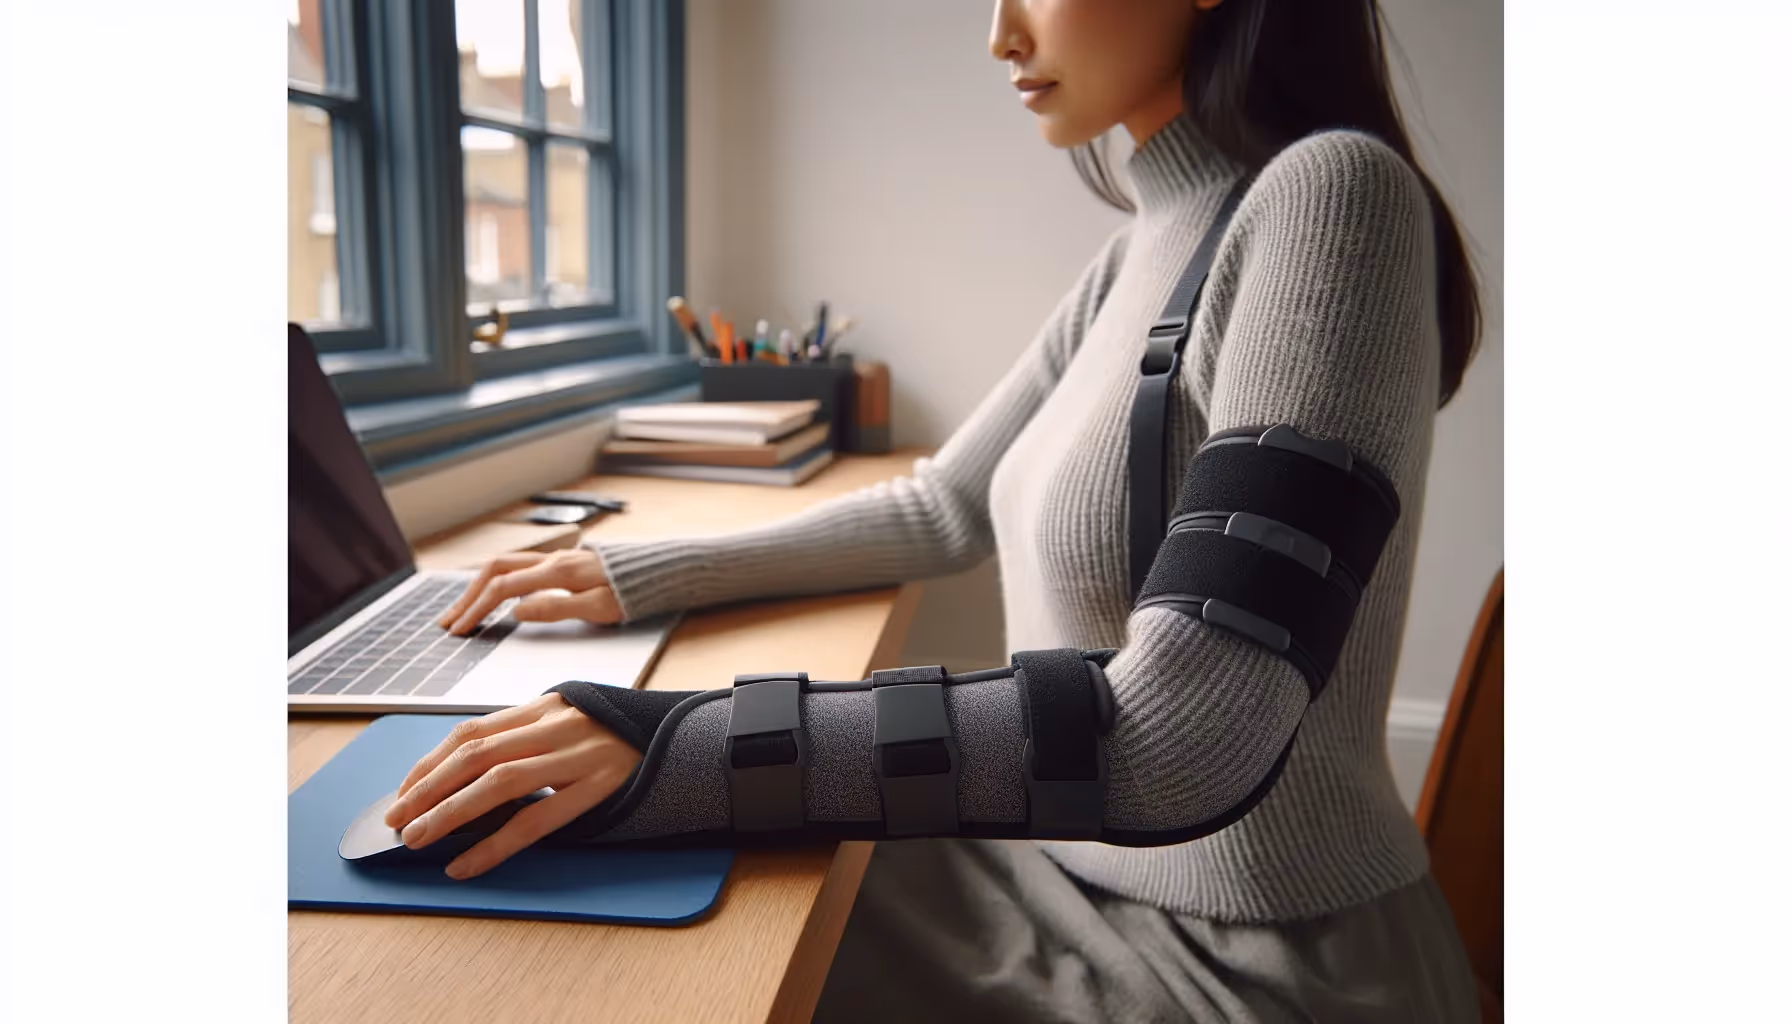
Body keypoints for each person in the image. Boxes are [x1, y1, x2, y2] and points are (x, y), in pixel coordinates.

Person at [382, 0, 1485, 1019]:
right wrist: (641, 573)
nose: (999, 34)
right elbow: (939, 507)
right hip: (1066, 865)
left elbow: (1180, 737)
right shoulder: (1132, 259)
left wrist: (679, 742)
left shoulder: (1336, 197)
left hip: (1243, 962)